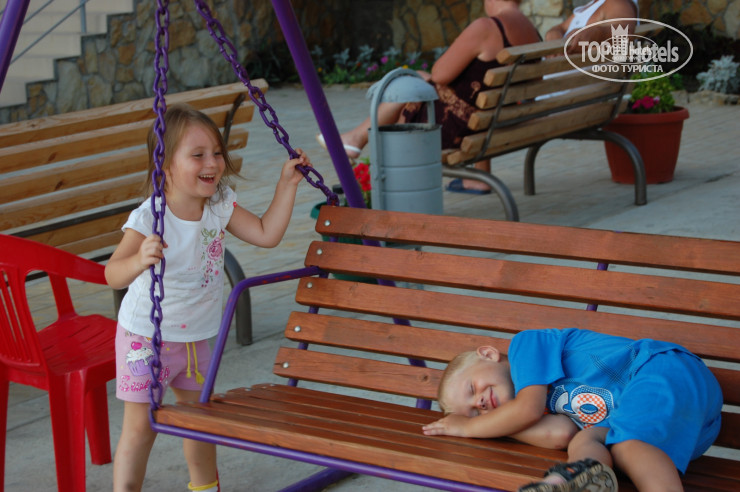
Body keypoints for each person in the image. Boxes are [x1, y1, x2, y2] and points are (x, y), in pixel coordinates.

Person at [105, 103, 312, 492]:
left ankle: (205, 487)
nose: (213, 163)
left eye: (217, 152)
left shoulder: (219, 205)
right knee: (141, 427)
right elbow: (112, 273)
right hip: (145, 340)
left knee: (199, 422)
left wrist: (287, 185)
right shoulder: (151, 216)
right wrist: (138, 259)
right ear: (165, 166)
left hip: (195, 340)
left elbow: (266, 234)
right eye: (198, 155)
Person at [423, 328, 722, 492]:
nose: (479, 404)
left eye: (472, 389)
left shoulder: (525, 346)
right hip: (664, 430)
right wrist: (496, 425)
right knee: (586, 440)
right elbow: (559, 434)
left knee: (629, 443)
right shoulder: (539, 409)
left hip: (661, 369)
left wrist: (468, 426)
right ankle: (568, 481)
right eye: (475, 412)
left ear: (488, 355)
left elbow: (527, 409)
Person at [317, 0, 541, 194]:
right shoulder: (531, 31)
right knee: (421, 80)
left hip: (459, 131)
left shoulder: (486, 28)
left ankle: (356, 140)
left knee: (407, 85)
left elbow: (440, 74)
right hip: (495, 125)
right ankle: (477, 179)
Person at [545, 0, 638, 50]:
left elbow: (626, 34)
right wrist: (553, 32)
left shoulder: (617, 2)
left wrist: (598, 34)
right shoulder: (591, 6)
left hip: (576, 76)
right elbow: (561, 27)